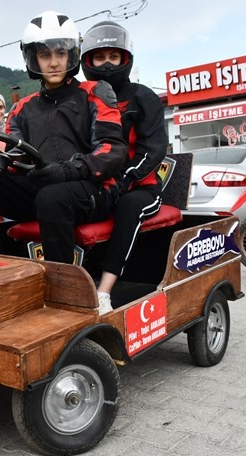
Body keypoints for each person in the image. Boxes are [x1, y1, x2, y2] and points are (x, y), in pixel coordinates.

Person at [0, 11, 127, 267]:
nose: (54, 62)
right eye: (45, 55)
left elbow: (112, 151)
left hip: (94, 188)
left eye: (60, 53)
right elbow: (15, 161)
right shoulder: (21, 108)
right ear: (33, 59)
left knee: (51, 197)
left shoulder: (95, 92)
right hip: (42, 189)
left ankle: (62, 285)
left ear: (72, 54)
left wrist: (69, 170)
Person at [80, 21, 168, 313]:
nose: (106, 64)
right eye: (99, 57)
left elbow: (154, 149)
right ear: (87, 61)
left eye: (113, 57)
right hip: (97, 182)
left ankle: (104, 292)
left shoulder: (144, 97)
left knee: (128, 206)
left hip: (140, 187)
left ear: (125, 59)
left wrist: (125, 179)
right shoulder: (81, 96)